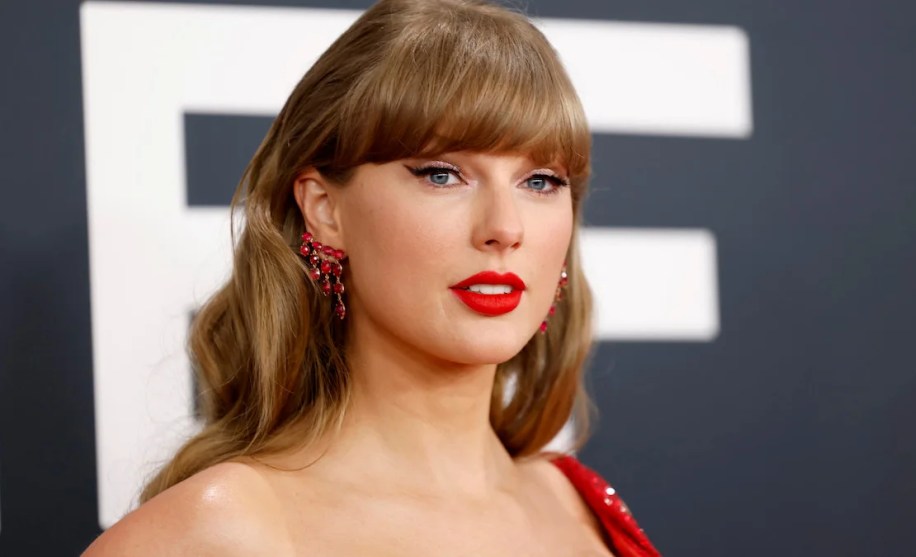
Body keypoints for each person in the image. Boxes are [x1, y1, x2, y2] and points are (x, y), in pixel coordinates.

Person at [84, 0, 660, 555]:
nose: (505, 229)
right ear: (324, 209)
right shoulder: (218, 532)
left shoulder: (575, 500)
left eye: (540, 181)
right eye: (442, 174)